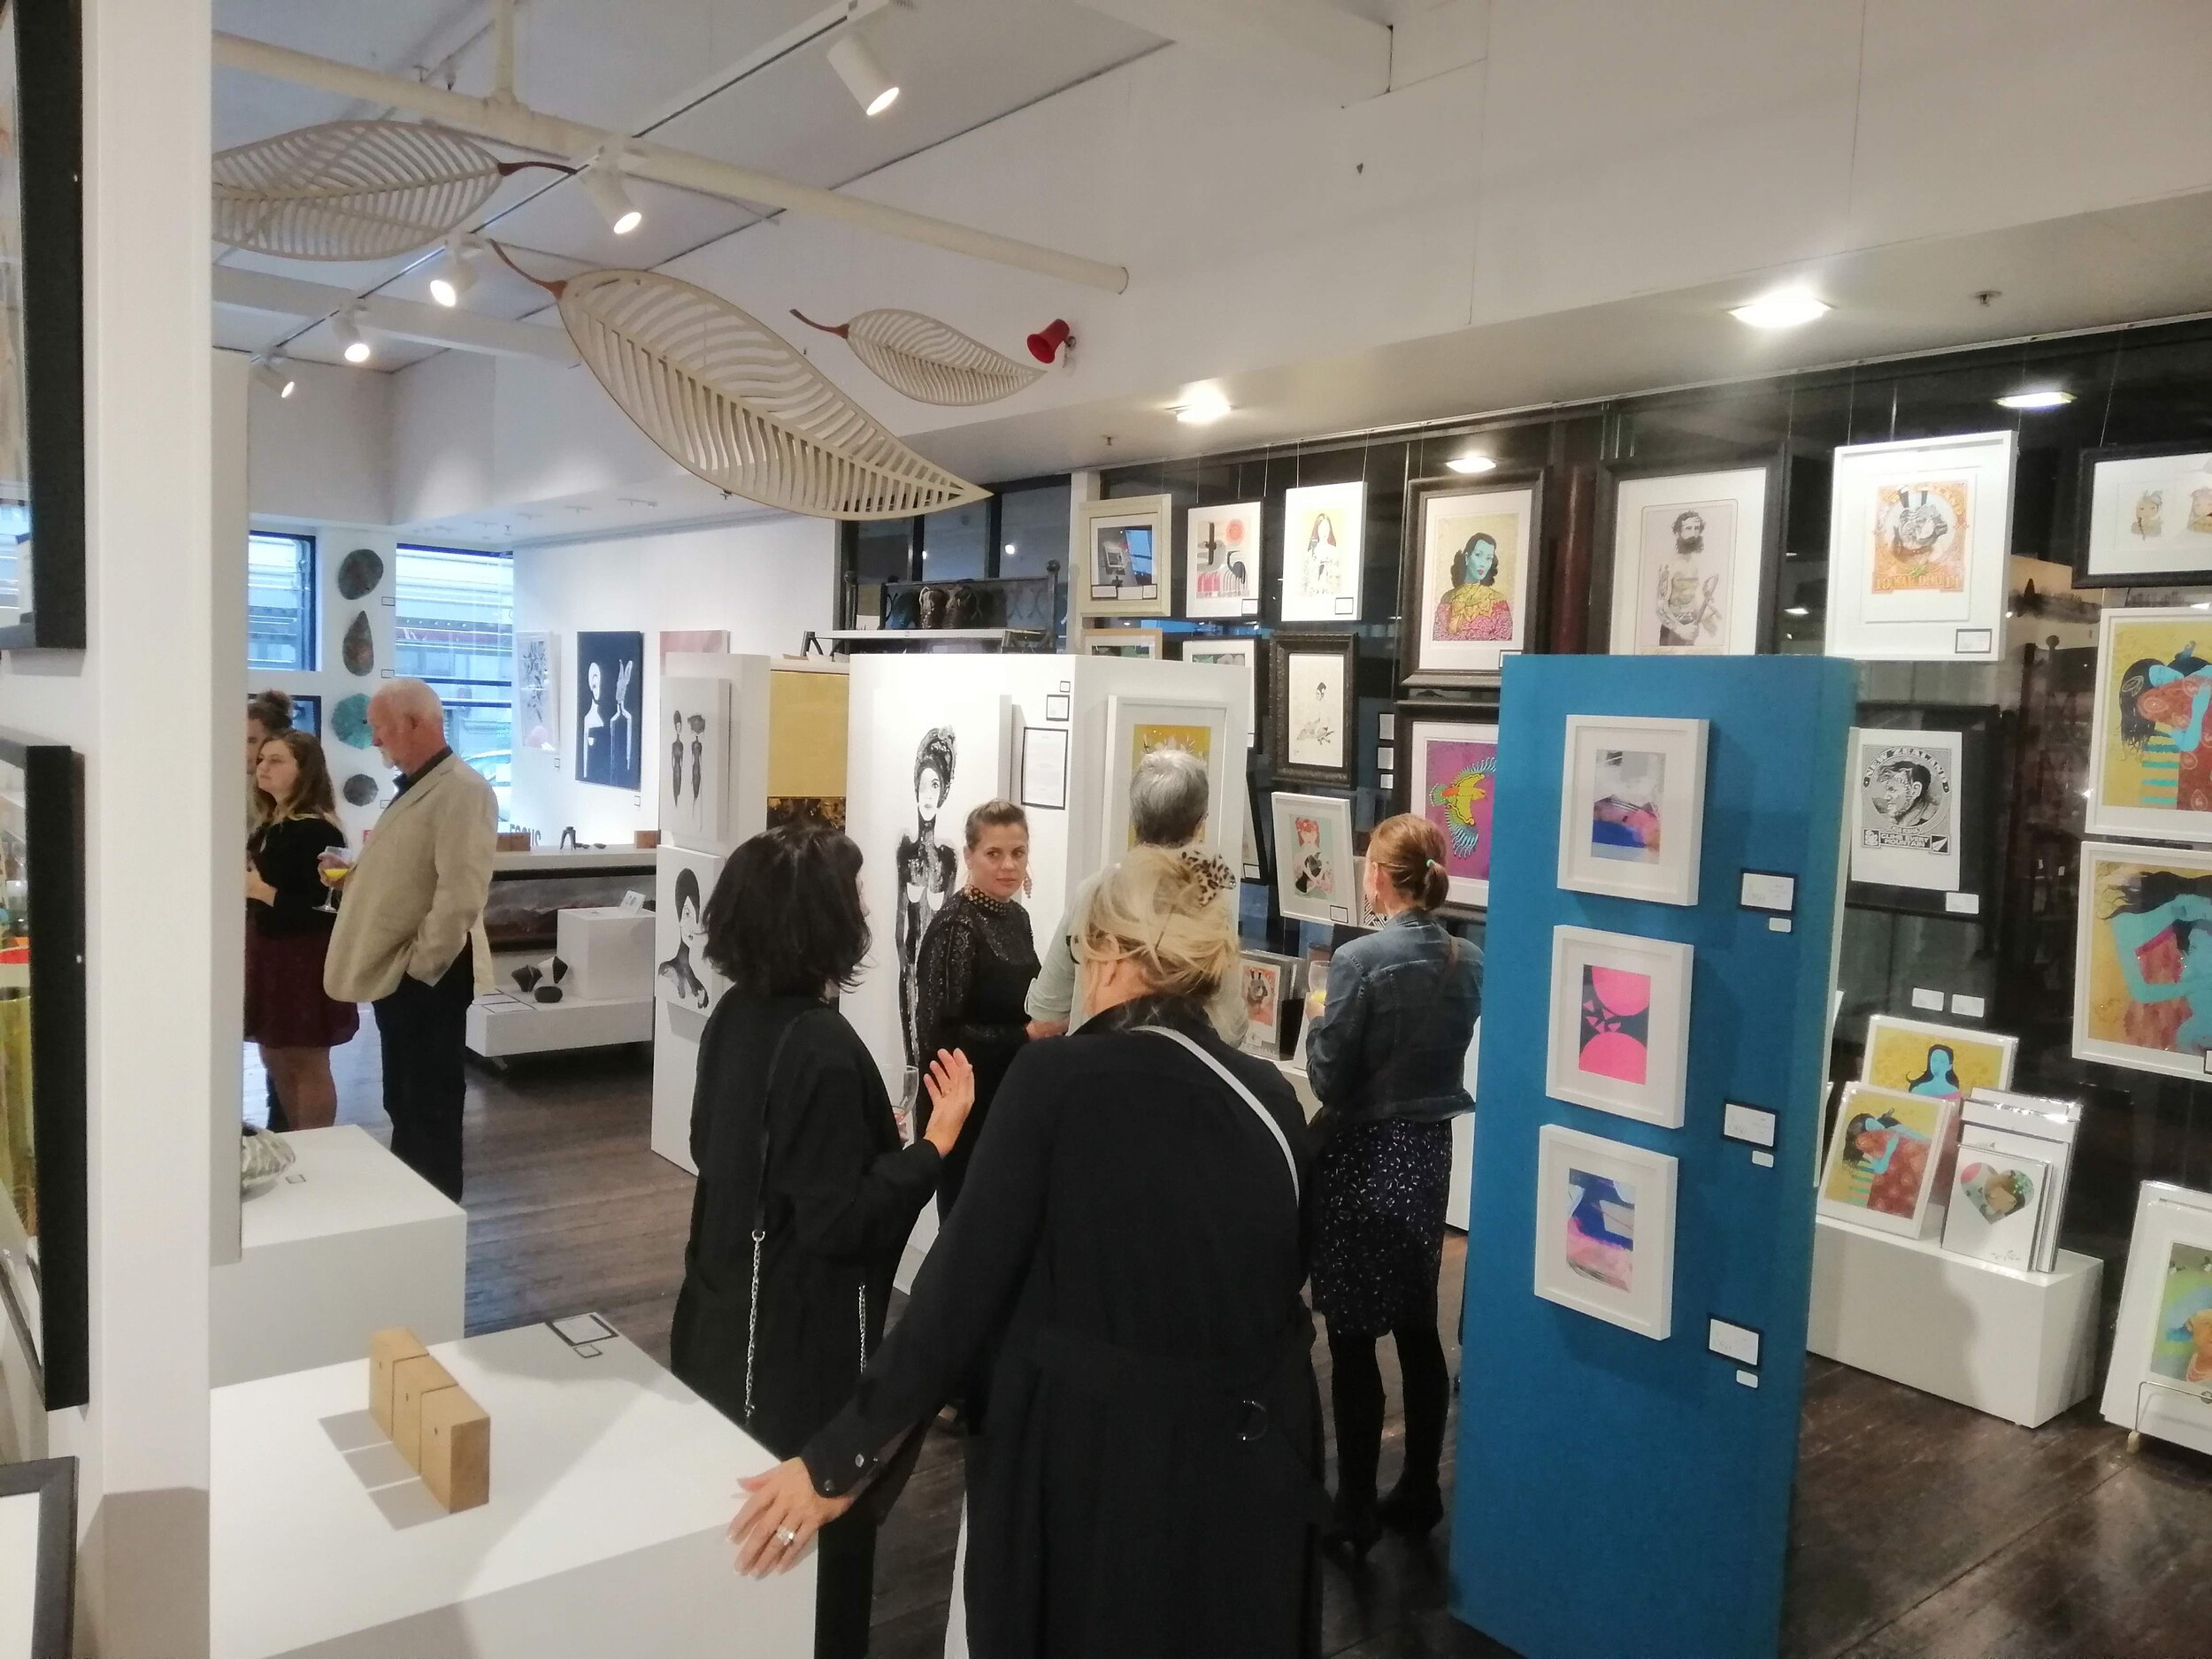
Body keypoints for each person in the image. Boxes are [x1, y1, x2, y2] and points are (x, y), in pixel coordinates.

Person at [730, 848, 1323, 1659]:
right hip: (1250, 1474)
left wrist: (837, 1459)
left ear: (1107, 953)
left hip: (1092, 1478)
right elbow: (1282, 1275)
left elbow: (957, 1292)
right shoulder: (1270, 1095)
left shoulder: (1057, 1078)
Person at [671, 825, 973, 1659]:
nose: (867, 908)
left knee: (742, 1559)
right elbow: (841, 1222)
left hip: (723, 1324)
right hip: (797, 1353)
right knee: (814, 1571)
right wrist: (933, 1145)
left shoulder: (734, 1016)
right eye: (855, 895)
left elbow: (716, 1149)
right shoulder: (824, 1045)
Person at [1304, 813, 1482, 1555]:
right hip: (1428, 1151)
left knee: (1351, 1335)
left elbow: (1327, 1075)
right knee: (1416, 1322)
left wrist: (1318, 1016)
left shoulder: (1358, 960)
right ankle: (1418, 1488)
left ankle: (1353, 1507)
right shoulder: (1469, 960)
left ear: (1378, 874)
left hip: (1363, 1152)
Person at [324, 680, 496, 1201]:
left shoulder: (463, 790)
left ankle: (434, 1208)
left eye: (379, 728)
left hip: (427, 977)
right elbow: (414, 873)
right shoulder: (425, 785)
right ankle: (413, 1207)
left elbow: (461, 895)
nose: (376, 740)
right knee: (405, 1099)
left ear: (414, 723)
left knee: (429, 1105)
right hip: (407, 973)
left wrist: (420, 967)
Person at [1025, 747, 1247, 1045]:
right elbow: (1231, 1028)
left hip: (1094, 1064)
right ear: (1200, 823)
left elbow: (1047, 1015)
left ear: (1134, 818)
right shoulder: (1207, 900)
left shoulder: (1094, 892)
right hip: (1179, 1070)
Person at [913, 801, 1038, 1212]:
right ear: (969, 856)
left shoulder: (1017, 918)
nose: (1008, 865)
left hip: (1008, 1097)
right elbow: (939, 1037)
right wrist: (1025, 1035)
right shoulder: (957, 926)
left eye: (1018, 852)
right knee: (968, 1224)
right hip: (965, 1106)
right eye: (994, 853)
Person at [245, 730, 358, 1130]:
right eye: (261, 759)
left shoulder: (316, 830)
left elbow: (322, 910)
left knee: (306, 1059)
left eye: (276, 760)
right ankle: (295, 1141)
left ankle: (315, 1146)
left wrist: (259, 890)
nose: (262, 767)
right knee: (275, 1055)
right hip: (271, 951)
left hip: (301, 955)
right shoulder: (271, 825)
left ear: (304, 771)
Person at [246, 689, 298, 1130]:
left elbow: (304, 899)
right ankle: (279, 1121)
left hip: (287, 940)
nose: (251, 757)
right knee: (272, 1046)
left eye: (254, 742)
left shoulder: (301, 821)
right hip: (260, 930)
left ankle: (294, 1132)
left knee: (290, 1048)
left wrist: (259, 890)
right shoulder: (261, 803)